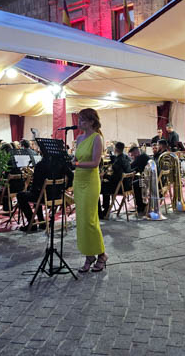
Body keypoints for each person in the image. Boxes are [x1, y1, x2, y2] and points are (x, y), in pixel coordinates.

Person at [73, 108, 107, 273]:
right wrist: (71, 160)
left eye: (83, 120)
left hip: (91, 181)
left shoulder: (97, 138)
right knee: (81, 220)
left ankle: (101, 255)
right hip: (78, 180)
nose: (79, 123)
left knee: (90, 220)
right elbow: (76, 158)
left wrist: (76, 164)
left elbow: (95, 163)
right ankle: (89, 255)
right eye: (79, 119)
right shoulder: (79, 138)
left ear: (92, 122)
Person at [17, 156, 73, 231]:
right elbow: (71, 175)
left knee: (20, 195)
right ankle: (41, 222)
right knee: (38, 194)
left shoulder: (40, 165)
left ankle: (32, 222)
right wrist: (65, 187)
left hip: (44, 197)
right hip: (58, 196)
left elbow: (35, 187)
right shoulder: (61, 164)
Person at [99, 142, 132, 219]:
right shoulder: (125, 157)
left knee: (103, 187)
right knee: (105, 184)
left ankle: (105, 210)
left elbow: (116, 178)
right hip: (128, 185)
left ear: (115, 149)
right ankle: (105, 208)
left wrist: (104, 176)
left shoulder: (118, 161)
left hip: (121, 187)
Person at [128, 145, 149, 215]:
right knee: (137, 181)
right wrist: (134, 171)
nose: (131, 157)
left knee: (135, 184)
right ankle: (142, 205)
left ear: (136, 153)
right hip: (152, 180)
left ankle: (141, 207)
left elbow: (130, 166)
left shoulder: (140, 157)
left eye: (132, 155)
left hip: (150, 182)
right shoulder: (143, 156)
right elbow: (138, 168)